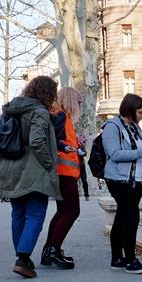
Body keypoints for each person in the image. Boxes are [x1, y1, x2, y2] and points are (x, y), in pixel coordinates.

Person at [0, 76, 61, 278]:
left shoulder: (10, 109)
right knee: (35, 214)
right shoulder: (39, 111)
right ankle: (23, 259)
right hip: (33, 171)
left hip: (10, 170)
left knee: (18, 214)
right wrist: (49, 164)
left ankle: (22, 257)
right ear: (48, 93)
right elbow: (38, 141)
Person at [103, 93, 142, 274]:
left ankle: (116, 258)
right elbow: (115, 154)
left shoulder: (135, 127)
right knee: (131, 217)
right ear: (130, 110)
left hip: (135, 179)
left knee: (121, 216)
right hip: (119, 179)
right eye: (140, 112)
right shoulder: (112, 127)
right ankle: (130, 260)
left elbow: (137, 151)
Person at [41, 87, 84, 270]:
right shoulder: (60, 117)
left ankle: (49, 250)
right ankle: (53, 249)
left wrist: (77, 145)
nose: (80, 106)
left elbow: (57, 140)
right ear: (71, 101)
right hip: (64, 173)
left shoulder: (59, 116)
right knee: (72, 211)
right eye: (79, 102)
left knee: (62, 211)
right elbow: (51, 140)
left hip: (63, 172)